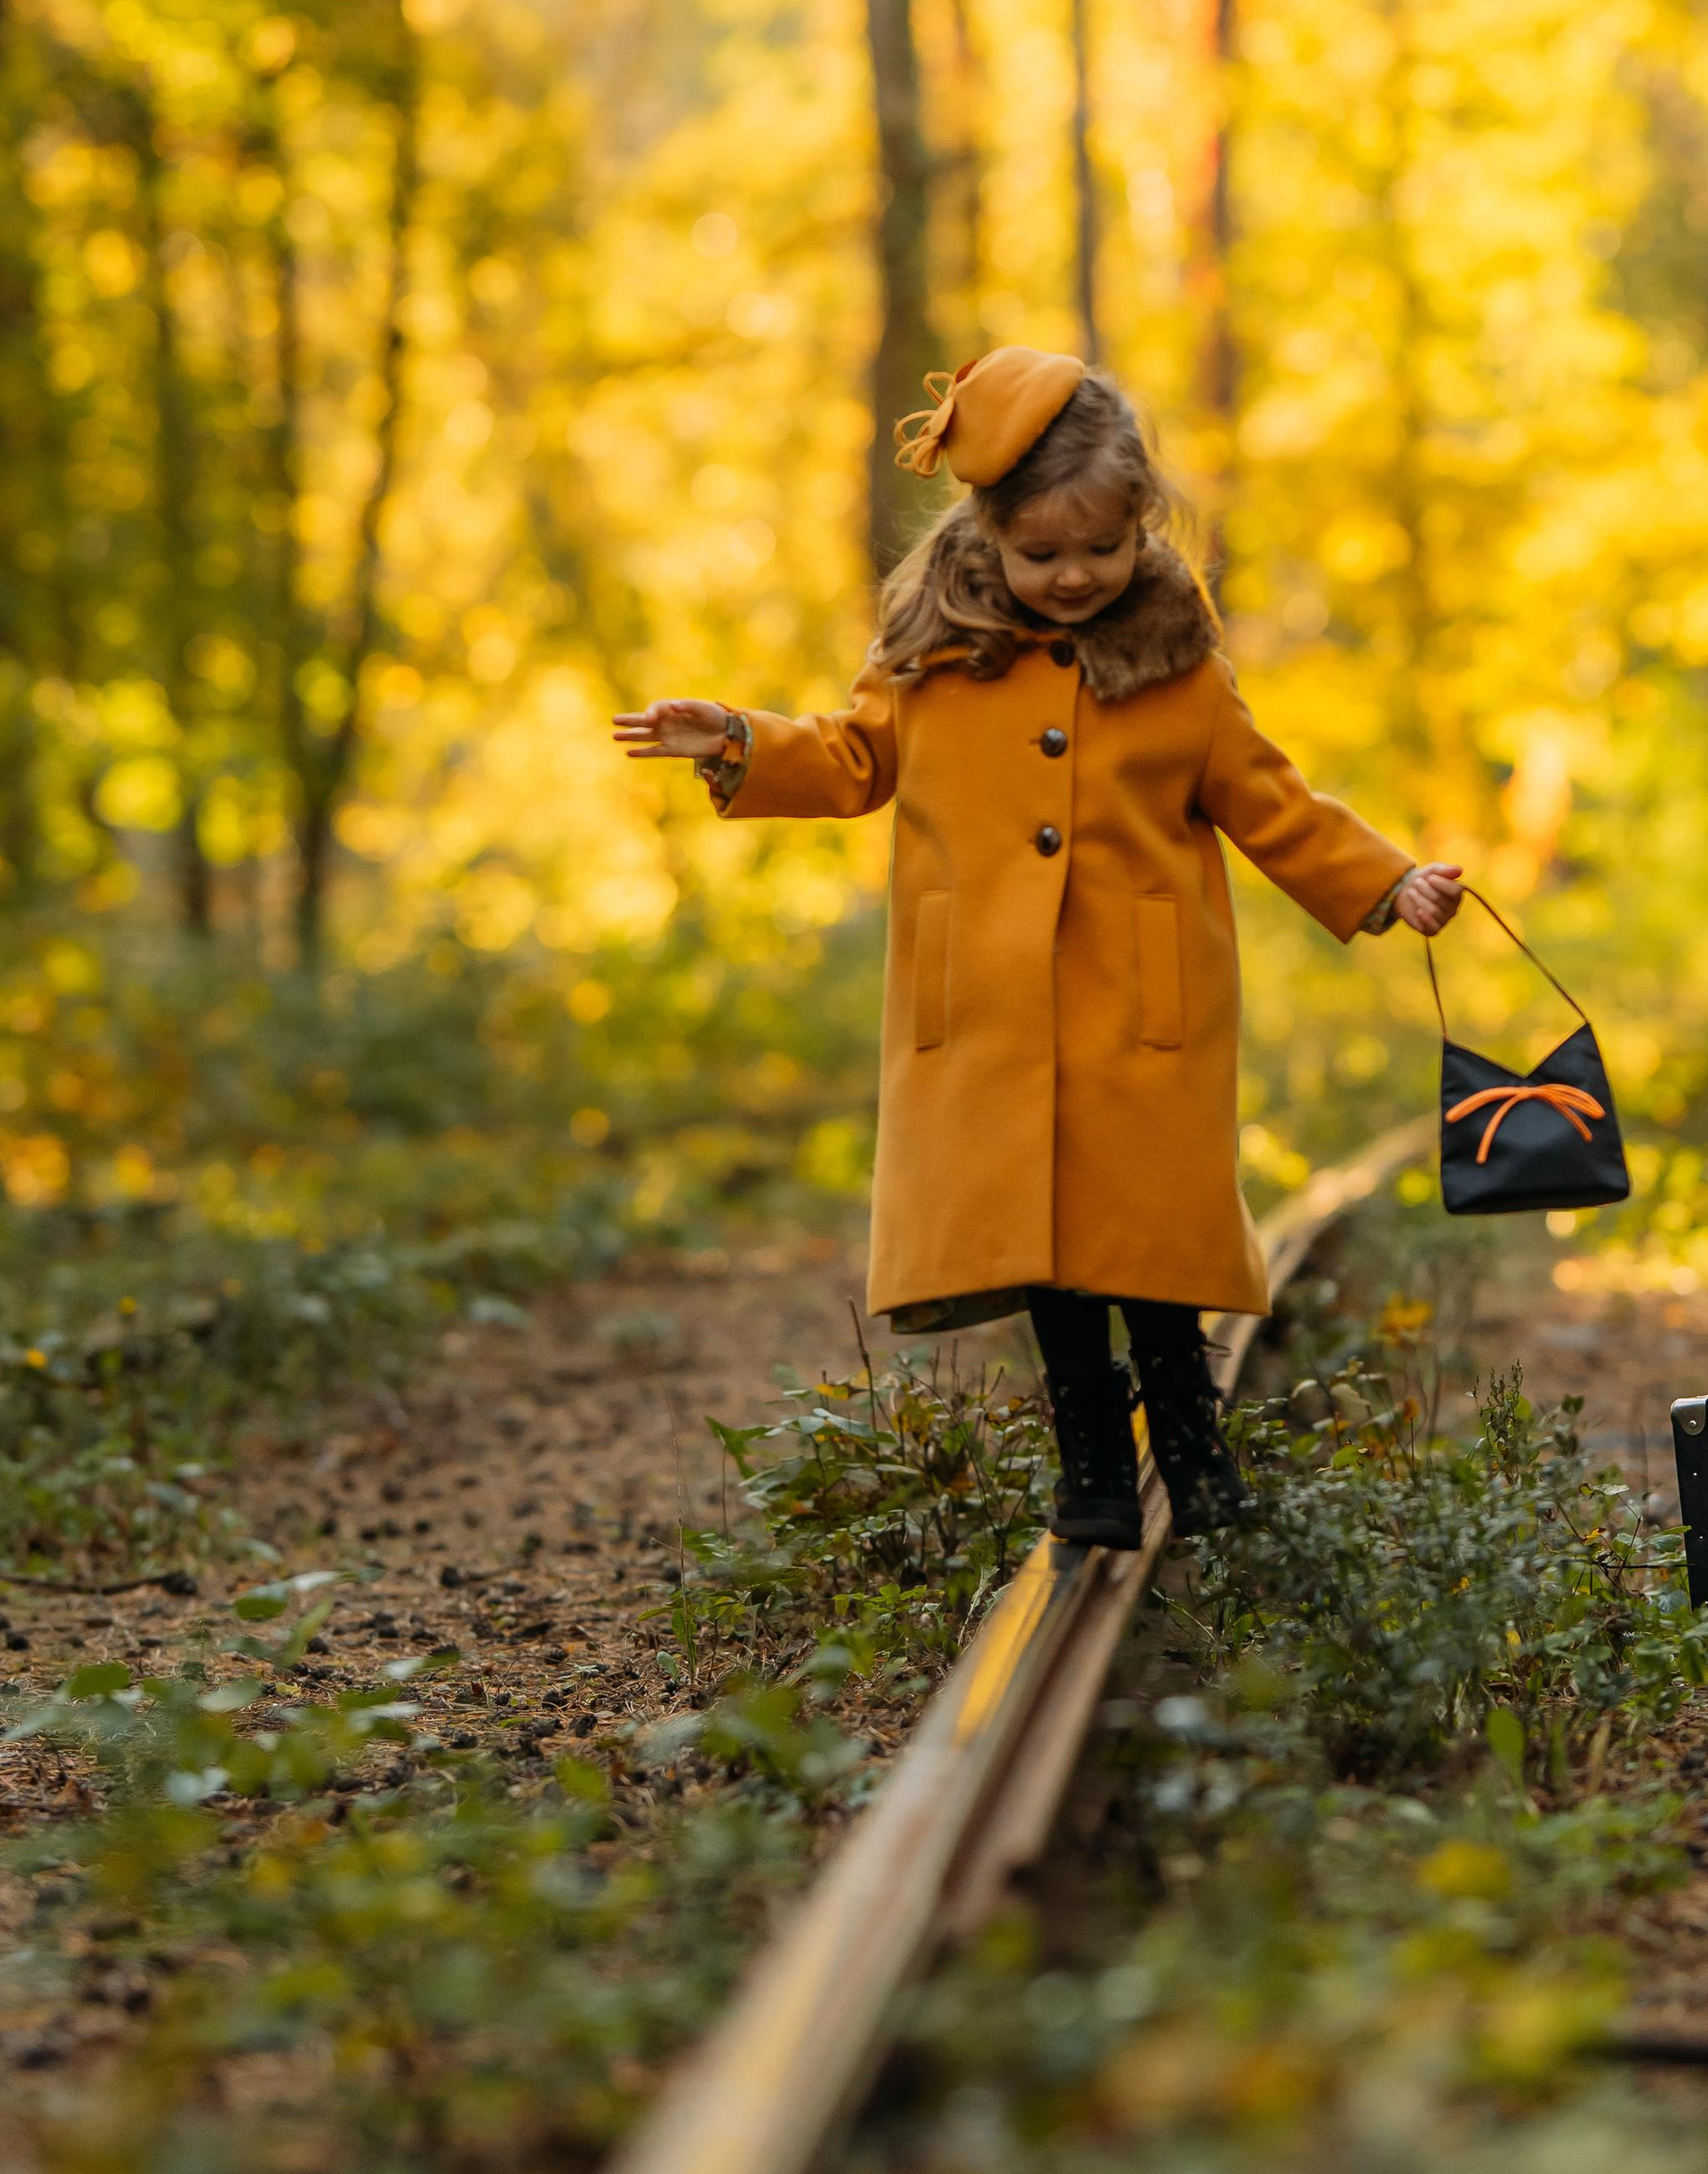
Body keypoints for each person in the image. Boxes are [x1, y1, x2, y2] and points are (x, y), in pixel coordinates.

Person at [613, 348, 1464, 1551]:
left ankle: (1192, 1443)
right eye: (1044, 555)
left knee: (1151, 1240)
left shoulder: (1179, 666)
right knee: (1048, 1245)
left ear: (1143, 531)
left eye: (1101, 552)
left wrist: (1388, 880)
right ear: (987, 536)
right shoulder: (933, 657)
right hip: (995, 1002)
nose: (1074, 577)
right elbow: (852, 757)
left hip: (1141, 998)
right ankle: (1089, 1463)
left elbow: (1272, 799)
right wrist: (740, 740)